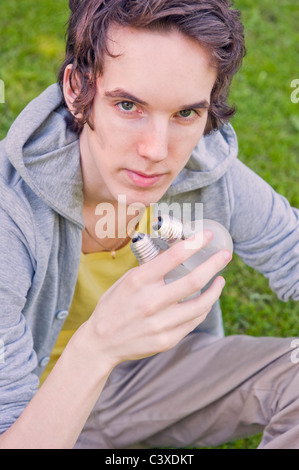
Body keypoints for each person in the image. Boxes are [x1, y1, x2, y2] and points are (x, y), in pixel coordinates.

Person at [0, 0, 298, 449]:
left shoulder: (203, 170)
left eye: (185, 114)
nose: (157, 150)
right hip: (37, 412)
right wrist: (98, 345)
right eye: (127, 105)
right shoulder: (9, 214)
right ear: (78, 87)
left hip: (144, 385)